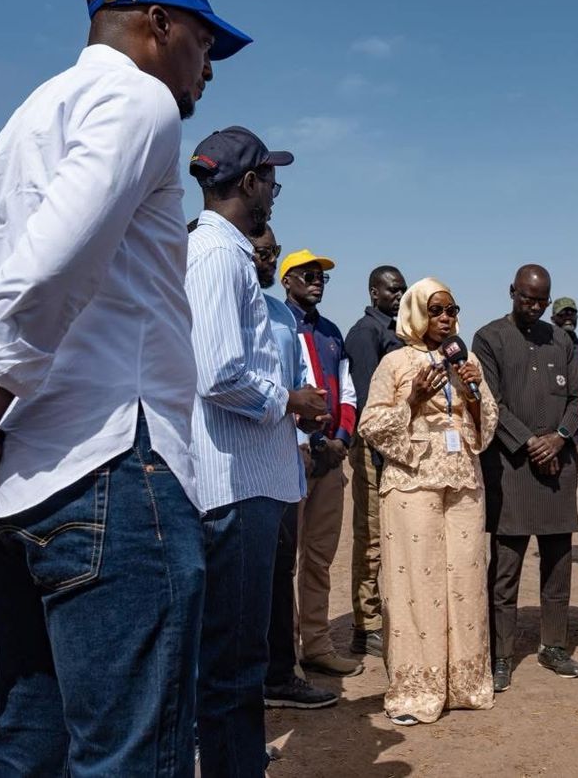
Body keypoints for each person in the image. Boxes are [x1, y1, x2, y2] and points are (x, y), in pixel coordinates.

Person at [0, 0, 252, 776]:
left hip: (19, 495)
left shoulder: (26, 123)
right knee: (128, 758)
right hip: (113, 465)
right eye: (207, 45)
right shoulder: (143, 102)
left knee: (31, 745)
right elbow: (45, 278)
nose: (208, 70)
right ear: (159, 25)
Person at [184, 127, 330, 775]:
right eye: (270, 178)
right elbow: (217, 372)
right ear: (248, 184)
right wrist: (289, 401)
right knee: (233, 659)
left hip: (249, 480)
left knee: (232, 653)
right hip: (233, 486)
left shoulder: (229, 254)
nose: (275, 190)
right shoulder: (217, 256)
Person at [358, 278, 498, 726]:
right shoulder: (394, 362)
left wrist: (474, 394)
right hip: (412, 481)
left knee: (465, 576)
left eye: (452, 310)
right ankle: (418, 689)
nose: (446, 318)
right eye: (436, 310)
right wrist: (414, 399)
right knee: (418, 583)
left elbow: (487, 423)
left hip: (463, 481)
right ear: (417, 312)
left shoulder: (467, 359)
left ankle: (463, 685)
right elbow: (372, 425)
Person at [474, 265, 578, 693]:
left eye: (542, 300)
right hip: (512, 469)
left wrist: (557, 439)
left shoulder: (561, 340)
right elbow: (490, 402)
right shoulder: (489, 338)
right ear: (512, 292)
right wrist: (529, 443)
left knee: (558, 566)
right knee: (505, 569)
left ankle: (553, 646)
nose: (535, 307)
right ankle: (500, 655)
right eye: (527, 299)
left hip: (558, 469)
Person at [254, 226, 339, 711]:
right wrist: (289, 401)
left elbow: (310, 385)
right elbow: (220, 379)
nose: (266, 260)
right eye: (261, 254)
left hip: (286, 462)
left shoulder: (284, 317)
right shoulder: (209, 305)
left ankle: (280, 675)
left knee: (281, 571)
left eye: (272, 253)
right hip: (230, 471)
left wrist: (312, 428)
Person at [282, 249, 363, 677]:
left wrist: (340, 441)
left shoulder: (332, 333)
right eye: (308, 275)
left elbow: (347, 393)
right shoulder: (275, 324)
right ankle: (284, 652)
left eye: (322, 277)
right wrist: (312, 439)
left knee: (319, 556)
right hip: (291, 453)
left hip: (331, 457)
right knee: (286, 559)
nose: (317, 281)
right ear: (287, 281)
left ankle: (316, 643)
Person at [344, 264, 407, 658]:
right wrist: (382, 450)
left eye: (402, 289)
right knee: (369, 538)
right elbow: (369, 401)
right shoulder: (366, 333)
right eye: (391, 290)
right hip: (373, 446)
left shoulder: (399, 331)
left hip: (398, 445)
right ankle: (364, 627)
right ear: (373, 292)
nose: (398, 296)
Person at [551, 295, 578, 573]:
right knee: (559, 497)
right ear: (553, 318)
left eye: (572, 313)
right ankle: (558, 554)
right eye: (562, 314)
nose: (568, 317)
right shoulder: (546, 348)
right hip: (556, 439)